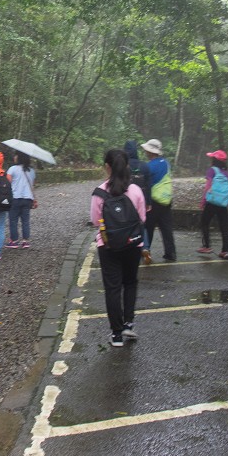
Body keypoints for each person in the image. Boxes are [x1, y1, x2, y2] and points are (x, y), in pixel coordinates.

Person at [90, 148, 147, 347]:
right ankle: (128, 324)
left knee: (112, 288)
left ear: (107, 167)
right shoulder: (136, 191)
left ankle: (116, 335)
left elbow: (96, 221)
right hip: (133, 244)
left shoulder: (99, 193)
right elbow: (142, 218)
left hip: (108, 245)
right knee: (130, 282)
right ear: (127, 166)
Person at [141, 138, 177, 262]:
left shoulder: (149, 166)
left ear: (150, 152)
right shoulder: (166, 163)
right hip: (166, 200)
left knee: (148, 227)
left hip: (154, 201)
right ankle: (171, 253)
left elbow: (146, 183)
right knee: (166, 227)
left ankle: (147, 251)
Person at [199, 150, 228, 259]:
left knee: (204, 222)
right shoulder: (227, 173)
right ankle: (225, 251)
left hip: (212, 202)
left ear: (214, 160)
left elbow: (208, 186)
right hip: (223, 203)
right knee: (224, 227)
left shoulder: (212, 171)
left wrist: (203, 201)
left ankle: (207, 246)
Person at [125, 140, 153, 265]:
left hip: (126, 200)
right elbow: (148, 185)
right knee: (141, 224)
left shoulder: (123, 165)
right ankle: (145, 248)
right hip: (140, 200)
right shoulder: (144, 166)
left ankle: (128, 248)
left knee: (126, 225)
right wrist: (148, 202)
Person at [5, 150, 36, 249]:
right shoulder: (31, 170)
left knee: (13, 220)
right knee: (25, 220)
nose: (14, 157)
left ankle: (14, 241)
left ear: (19, 157)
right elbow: (32, 185)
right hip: (28, 199)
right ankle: (25, 241)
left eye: (16, 155)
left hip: (15, 198)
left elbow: (7, 183)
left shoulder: (12, 169)